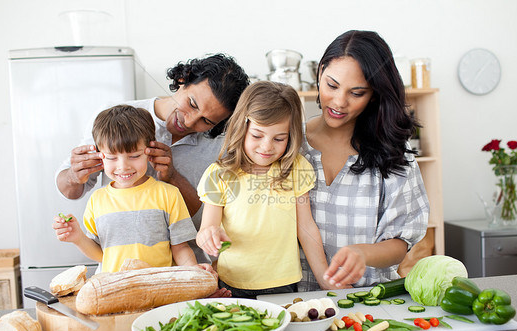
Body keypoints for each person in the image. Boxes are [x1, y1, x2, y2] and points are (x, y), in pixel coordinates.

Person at [55, 54, 249, 264]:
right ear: (183, 80)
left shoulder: (220, 147)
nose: (190, 121)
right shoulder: (113, 120)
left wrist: (173, 177)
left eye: (207, 121)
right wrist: (75, 175)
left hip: (185, 269)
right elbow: (70, 191)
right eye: (192, 104)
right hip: (120, 271)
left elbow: (204, 223)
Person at [299, 30, 430, 291]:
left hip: (367, 301)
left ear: (374, 95)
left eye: (356, 93)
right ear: (320, 72)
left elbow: (401, 243)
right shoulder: (288, 143)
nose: (338, 102)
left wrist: (363, 253)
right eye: (331, 85)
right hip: (298, 305)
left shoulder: (393, 152)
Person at [196, 81, 340, 299]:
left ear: (290, 136)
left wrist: (324, 278)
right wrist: (208, 236)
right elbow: (207, 228)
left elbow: (306, 227)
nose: (266, 147)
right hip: (232, 282)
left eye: (279, 138)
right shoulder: (219, 174)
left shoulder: (296, 168)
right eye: (257, 135)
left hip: (283, 283)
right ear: (241, 128)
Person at [52, 105, 209, 274]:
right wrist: (78, 238)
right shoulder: (97, 201)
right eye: (112, 157)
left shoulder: (168, 194)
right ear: (100, 156)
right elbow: (103, 255)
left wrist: (193, 270)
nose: (123, 166)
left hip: (159, 289)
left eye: (134, 156)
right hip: (115, 290)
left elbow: (180, 247)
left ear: (149, 151)